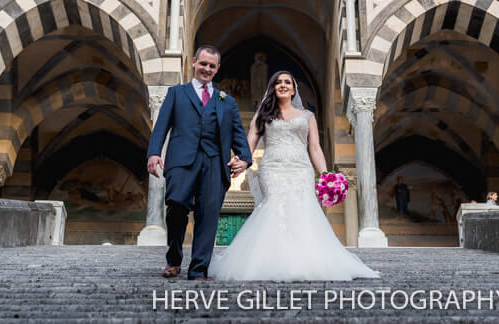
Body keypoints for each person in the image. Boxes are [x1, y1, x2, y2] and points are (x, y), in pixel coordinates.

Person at [209, 71, 379, 282]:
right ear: (272, 87)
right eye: (278, 82)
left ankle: (303, 261)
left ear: (293, 88)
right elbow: (249, 143)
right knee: (275, 207)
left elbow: (315, 148)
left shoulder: (307, 116)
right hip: (272, 168)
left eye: (287, 82)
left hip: (301, 169)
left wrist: (325, 174)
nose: (282, 85)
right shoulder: (263, 115)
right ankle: (272, 261)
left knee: (302, 209)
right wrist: (243, 161)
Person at [146, 45, 252, 281]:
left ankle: (198, 270)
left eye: (212, 66)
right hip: (181, 162)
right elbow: (161, 126)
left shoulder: (227, 101)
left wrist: (244, 158)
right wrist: (154, 153)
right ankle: (173, 259)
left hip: (215, 163)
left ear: (217, 69)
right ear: (194, 62)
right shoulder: (177, 93)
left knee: (208, 216)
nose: (207, 69)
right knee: (176, 207)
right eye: (203, 64)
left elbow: (238, 135)